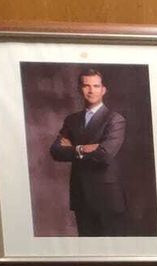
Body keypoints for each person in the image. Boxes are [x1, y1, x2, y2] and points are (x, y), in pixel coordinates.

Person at [47, 68, 127, 237]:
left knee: (111, 253)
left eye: (96, 86)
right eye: (86, 85)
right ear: (79, 89)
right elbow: (55, 151)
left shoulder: (115, 119)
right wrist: (81, 148)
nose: (91, 90)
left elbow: (105, 154)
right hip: (81, 195)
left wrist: (72, 147)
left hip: (107, 198)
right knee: (87, 252)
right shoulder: (72, 120)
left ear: (103, 89)